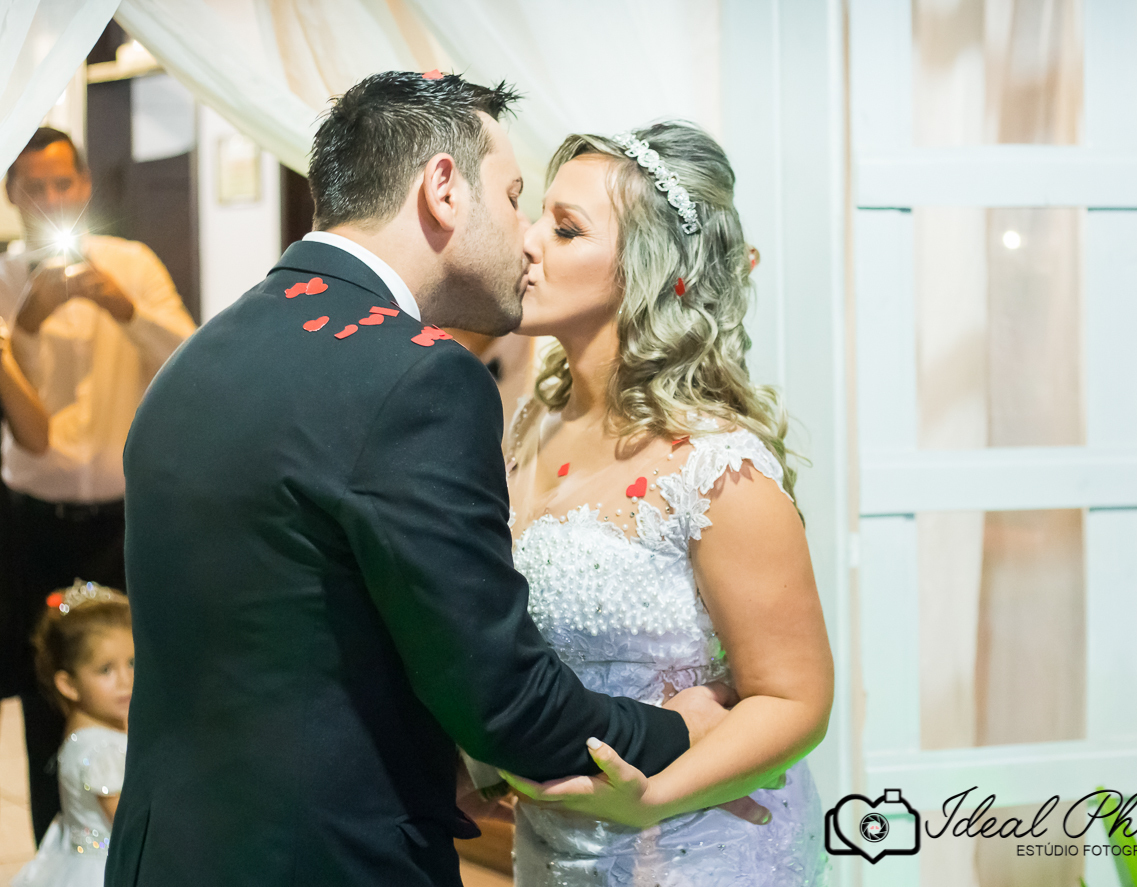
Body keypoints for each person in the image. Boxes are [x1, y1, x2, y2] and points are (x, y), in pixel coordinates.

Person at [104, 72, 731, 887]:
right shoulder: (416, 378)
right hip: (327, 861)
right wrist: (678, 727)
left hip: (165, 854)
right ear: (443, 188)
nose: (525, 238)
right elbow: (507, 703)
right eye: (513, 197)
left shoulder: (194, 360)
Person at [493, 123, 834, 885]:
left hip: (697, 846)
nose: (527, 242)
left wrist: (653, 798)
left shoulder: (715, 467)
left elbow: (796, 697)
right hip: (553, 844)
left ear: (646, 270)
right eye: (538, 216)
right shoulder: (533, 420)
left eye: (565, 228)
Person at [0, 127, 195, 842]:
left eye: (63, 184)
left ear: (84, 187)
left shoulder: (132, 263)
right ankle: (62, 846)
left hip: (124, 518)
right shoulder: (4, 279)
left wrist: (123, 308)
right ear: (11, 194)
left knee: (137, 682)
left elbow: (190, 361)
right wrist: (24, 327)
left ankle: (150, 841)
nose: (50, 200)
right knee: (43, 689)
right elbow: (28, 425)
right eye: (34, 188)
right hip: (31, 518)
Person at [12, 581, 133, 887]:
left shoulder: (82, 727)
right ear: (68, 684)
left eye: (132, 663)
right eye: (106, 670)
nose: (126, 680)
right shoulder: (103, 752)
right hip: (105, 869)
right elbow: (130, 829)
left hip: (72, 858)